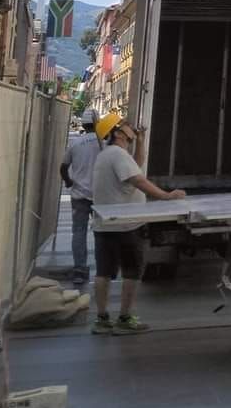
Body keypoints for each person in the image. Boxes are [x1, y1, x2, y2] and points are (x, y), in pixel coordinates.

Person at [90, 113, 185, 335]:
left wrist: (141, 142)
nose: (131, 127)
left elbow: (136, 166)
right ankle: (124, 318)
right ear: (117, 132)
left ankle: (102, 320)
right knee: (132, 271)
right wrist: (166, 196)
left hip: (105, 224)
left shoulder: (110, 155)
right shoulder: (117, 155)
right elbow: (138, 180)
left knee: (103, 272)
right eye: (125, 125)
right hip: (126, 226)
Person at [60, 108, 100, 286]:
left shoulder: (75, 144)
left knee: (79, 232)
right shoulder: (103, 143)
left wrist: (69, 182)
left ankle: (80, 271)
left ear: (83, 124)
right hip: (100, 196)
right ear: (97, 123)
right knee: (102, 233)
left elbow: (63, 167)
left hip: (79, 195)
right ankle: (104, 270)